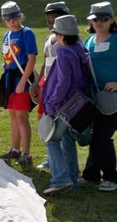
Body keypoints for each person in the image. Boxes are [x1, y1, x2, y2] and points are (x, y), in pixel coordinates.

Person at [81, 1, 117, 192]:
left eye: (104, 18)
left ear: (112, 20)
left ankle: (112, 178)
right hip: (95, 96)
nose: (100, 22)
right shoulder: (89, 41)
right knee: (98, 134)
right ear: (91, 21)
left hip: (115, 96)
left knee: (103, 135)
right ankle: (91, 175)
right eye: (96, 19)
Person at [41, 15, 88, 196]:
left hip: (64, 105)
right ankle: (73, 179)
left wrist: (52, 104)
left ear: (60, 36)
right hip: (77, 103)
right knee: (67, 140)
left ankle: (60, 179)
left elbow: (62, 82)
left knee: (51, 139)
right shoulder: (80, 49)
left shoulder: (64, 52)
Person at [0, 1, 38, 167]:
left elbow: (31, 59)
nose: (12, 22)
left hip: (22, 79)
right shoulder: (6, 35)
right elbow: (6, 57)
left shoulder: (27, 33)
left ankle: (26, 153)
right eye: (9, 20)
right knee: (13, 116)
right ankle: (15, 149)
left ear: (19, 16)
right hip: (10, 80)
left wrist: (23, 82)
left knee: (22, 116)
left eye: (14, 18)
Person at [34, 2, 70, 170]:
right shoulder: (48, 39)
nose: (51, 24)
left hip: (60, 88)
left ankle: (63, 162)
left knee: (60, 128)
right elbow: (45, 63)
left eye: (54, 20)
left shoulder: (68, 40)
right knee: (46, 122)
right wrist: (38, 82)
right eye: (49, 21)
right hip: (47, 86)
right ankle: (51, 158)